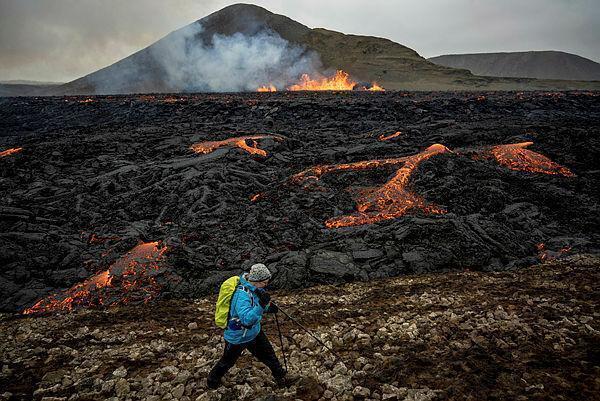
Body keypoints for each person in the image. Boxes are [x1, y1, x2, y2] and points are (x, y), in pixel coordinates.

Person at [207, 263, 292, 389]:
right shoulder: (241, 295)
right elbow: (247, 320)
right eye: (264, 282)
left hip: (254, 332)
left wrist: (267, 308)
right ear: (256, 281)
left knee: (269, 354)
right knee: (227, 362)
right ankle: (212, 381)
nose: (266, 285)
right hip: (238, 337)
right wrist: (262, 306)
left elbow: (256, 304)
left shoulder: (255, 288)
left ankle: (281, 377)